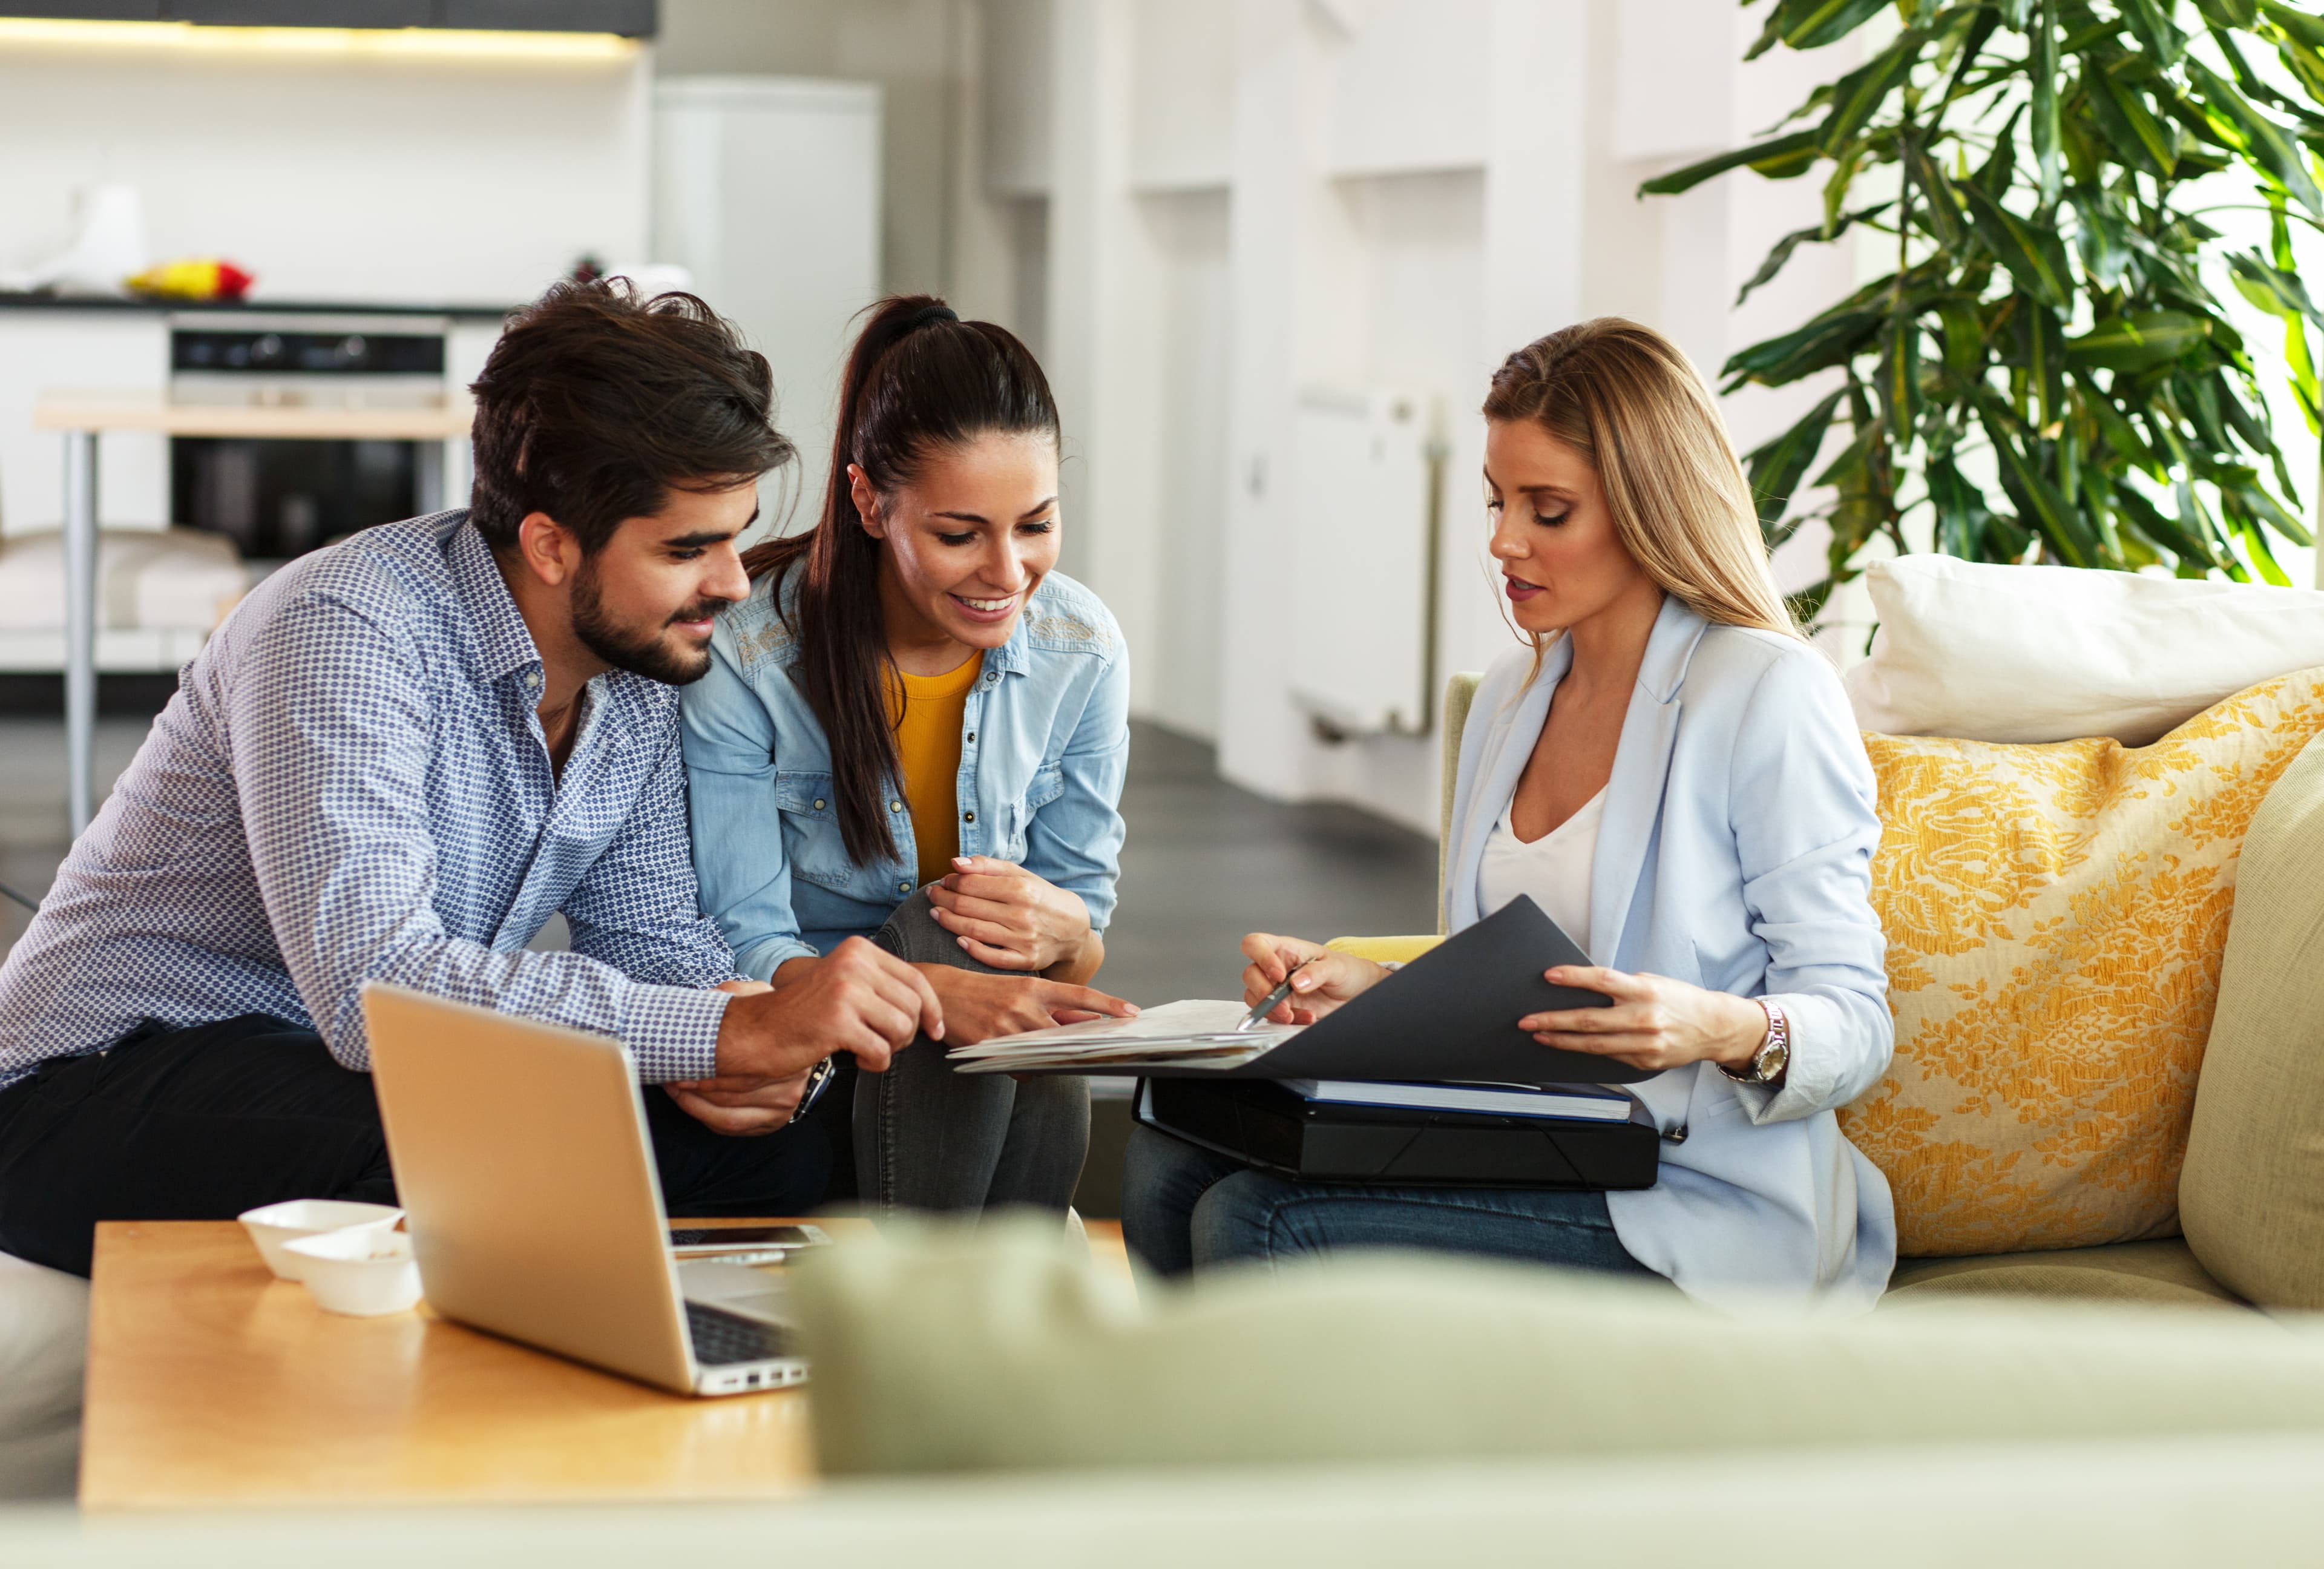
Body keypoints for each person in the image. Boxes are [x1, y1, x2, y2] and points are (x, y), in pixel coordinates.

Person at [0, 281, 943, 1278]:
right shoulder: (345, 630)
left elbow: (655, 939)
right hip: (94, 1082)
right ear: (549, 544)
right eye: (686, 548)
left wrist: (754, 1054)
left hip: (331, 1071)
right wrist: (721, 1028)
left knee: (776, 1153)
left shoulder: (636, 677)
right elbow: (377, 988)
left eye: (733, 535)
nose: (731, 582)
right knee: (487, 1146)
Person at [1121, 318, 1897, 1309]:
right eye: (1498, 501)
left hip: (1691, 1196)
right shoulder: (1509, 696)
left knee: (1256, 1219)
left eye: (1549, 509)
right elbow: (1511, 987)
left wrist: (1713, 1027)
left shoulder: (1765, 693)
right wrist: (1377, 988)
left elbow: (1857, 1023)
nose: (1502, 541)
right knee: (1164, 1165)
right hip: (1533, 1148)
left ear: (1648, 508)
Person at [683, 295, 1134, 1217]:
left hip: (981, 1061)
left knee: (1001, 945)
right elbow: (747, 939)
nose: (1008, 573)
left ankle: (970, 1313)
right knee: (948, 928)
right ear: (869, 501)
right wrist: (937, 988)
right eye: (959, 535)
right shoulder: (750, 652)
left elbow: (1078, 941)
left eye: (1037, 525)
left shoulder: (1083, 648)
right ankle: (989, 1305)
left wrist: (1066, 935)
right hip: (817, 1049)